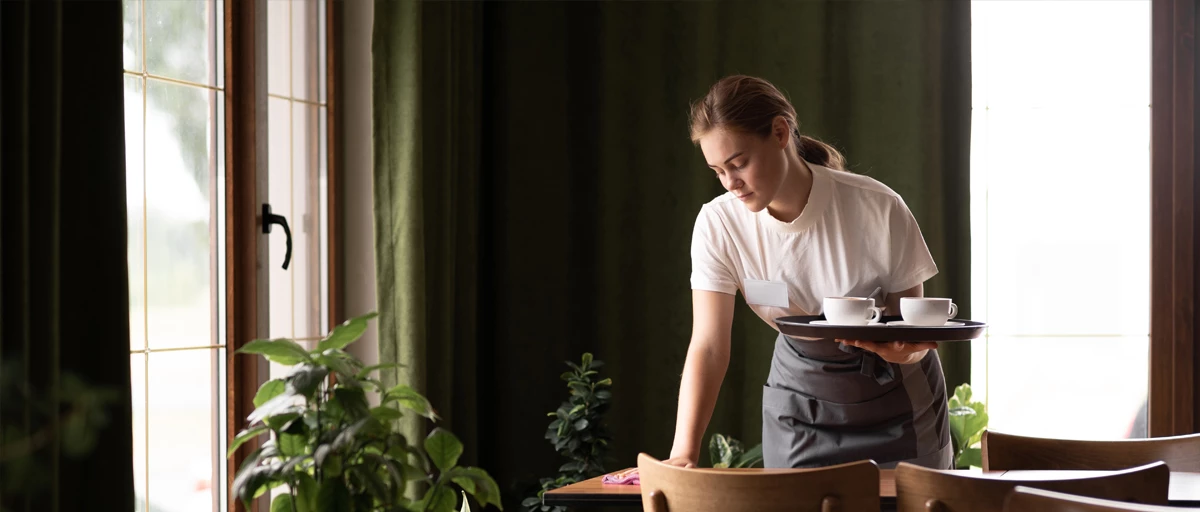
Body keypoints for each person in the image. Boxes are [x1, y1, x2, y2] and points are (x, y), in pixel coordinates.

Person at [665, 75, 952, 470]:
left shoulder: (878, 206)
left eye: (739, 163)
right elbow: (710, 347)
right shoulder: (719, 224)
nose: (731, 183)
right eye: (718, 171)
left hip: (898, 401)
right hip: (800, 404)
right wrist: (684, 452)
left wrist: (906, 351)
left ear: (780, 132)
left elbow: (914, 334)